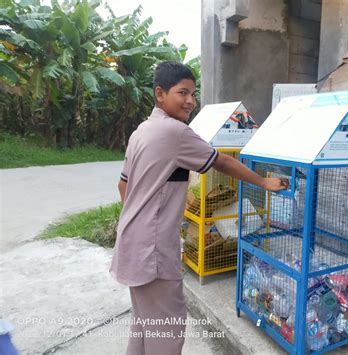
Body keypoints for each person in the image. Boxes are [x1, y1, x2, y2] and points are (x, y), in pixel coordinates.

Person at [110, 61, 288, 355]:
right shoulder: (175, 132)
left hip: (131, 244)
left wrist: (141, 217)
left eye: (193, 93)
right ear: (160, 94)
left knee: (144, 324)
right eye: (183, 92)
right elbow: (223, 161)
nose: (191, 100)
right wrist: (264, 183)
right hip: (152, 253)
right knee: (167, 332)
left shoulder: (141, 131)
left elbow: (123, 187)